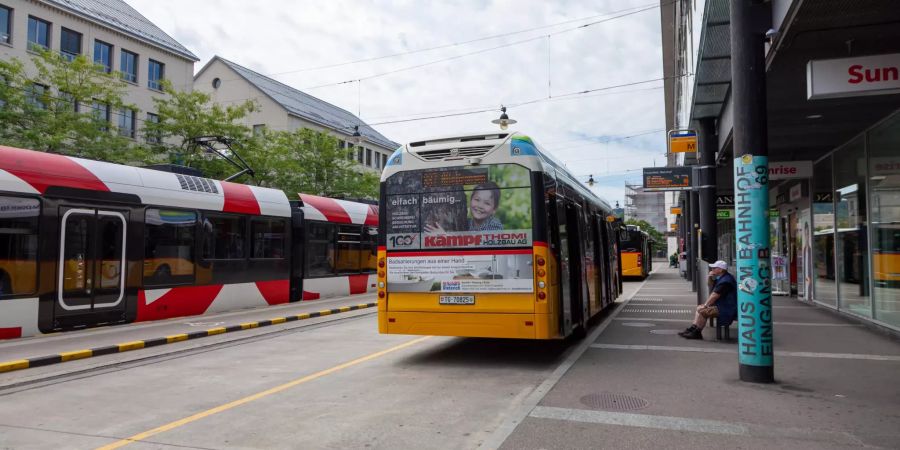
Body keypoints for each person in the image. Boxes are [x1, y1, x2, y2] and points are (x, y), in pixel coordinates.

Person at [679, 260, 737, 340]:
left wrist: (706, 305)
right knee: (699, 308)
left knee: (703, 311)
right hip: (722, 305)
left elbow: (715, 295)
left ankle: (697, 332)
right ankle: (693, 329)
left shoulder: (726, 281)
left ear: (720, 270)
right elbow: (710, 285)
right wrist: (709, 277)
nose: (712, 269)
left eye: (714, 268)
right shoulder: (722, 277)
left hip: (727, 308)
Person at [425, 181, 503, 233]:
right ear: (470, 200)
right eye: (477, 199)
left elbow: (477, 246)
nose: (480, 206)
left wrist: (444, 237)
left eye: (487, 203)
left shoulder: (494, 225)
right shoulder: (467, 223)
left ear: (494, 209)